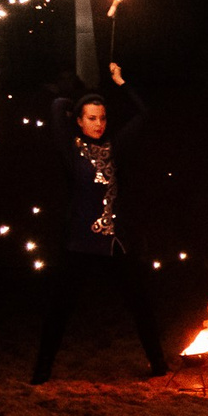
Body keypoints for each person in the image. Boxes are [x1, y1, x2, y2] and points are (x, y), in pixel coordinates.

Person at [32, 61, 170, 386]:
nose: (98, 123)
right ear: (79, 122)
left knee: (140, 303)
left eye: (102, 118)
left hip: (112, 242)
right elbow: (57, 106)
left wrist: (120, 82)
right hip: (79, 243)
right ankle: (41, 371)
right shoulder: (71, 149)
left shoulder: (113, 148)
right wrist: (85, 96)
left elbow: (144, 114)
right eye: (91, 118)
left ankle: (159, 366)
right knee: (59, 310)